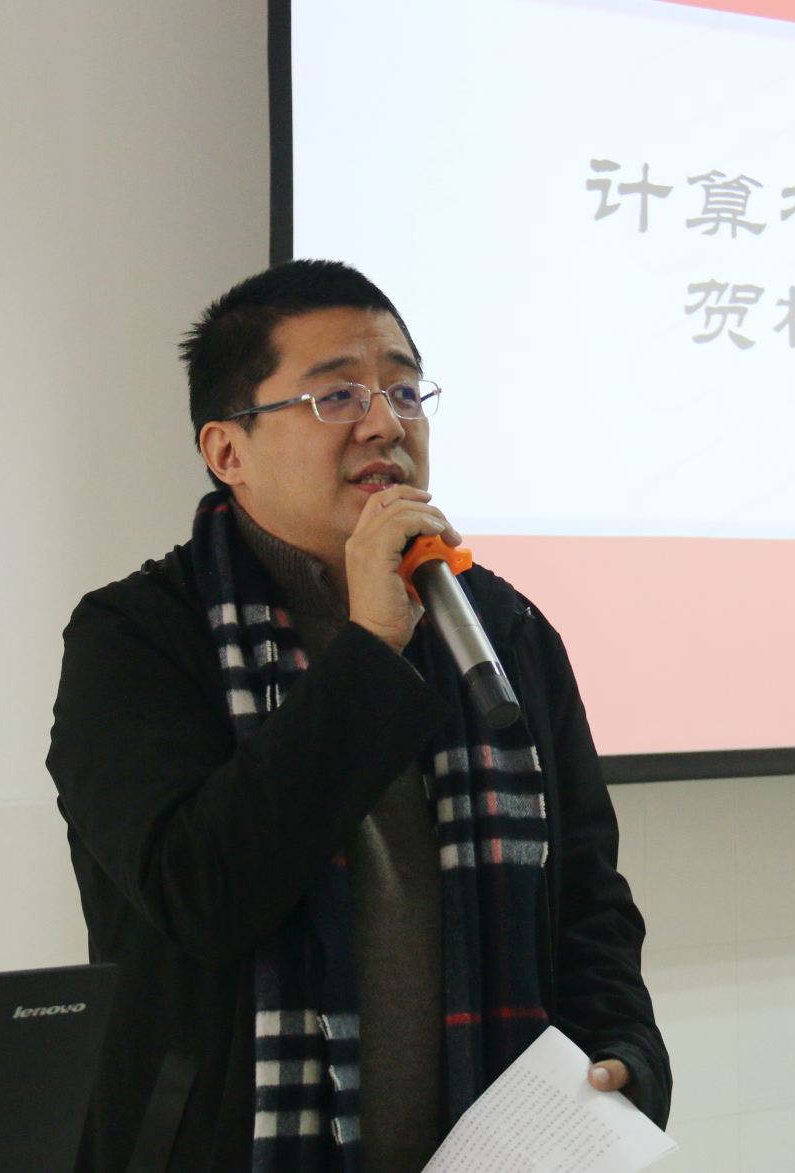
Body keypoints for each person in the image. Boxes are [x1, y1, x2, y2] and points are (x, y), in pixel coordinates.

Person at [47, 259, 670, 1172]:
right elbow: (200, 893)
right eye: (335, 395)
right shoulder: (136, 637)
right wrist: (372, 647)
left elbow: (585, 898)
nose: (386, 423)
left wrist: (626, 1048)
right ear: (227, 451)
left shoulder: (500, 628)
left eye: (405, 391)